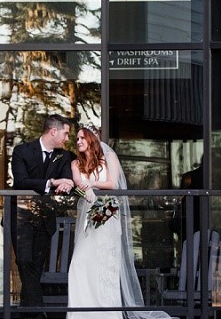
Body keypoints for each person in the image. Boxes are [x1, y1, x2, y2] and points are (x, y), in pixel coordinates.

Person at [66, 124, 170, 319]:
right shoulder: (75, 164)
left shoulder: (109, 158)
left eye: (81, 138)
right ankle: (81, 314)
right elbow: (79, 184)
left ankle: (107, 314)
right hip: (88, 217)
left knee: (105, 266)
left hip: (108, 214)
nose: (78, 141)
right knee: (79, 264)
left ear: (91, 139)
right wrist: (86, 189)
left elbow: (113, 183)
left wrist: (93, 184)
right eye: (77, 138)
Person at [11, 114, 76, 318]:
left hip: (45, 218)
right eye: (65, 134)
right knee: (23, 262)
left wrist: (67, 183)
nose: (67, 139)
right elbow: (21, 181)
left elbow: (66, 178)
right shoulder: (21, 151)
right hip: (21, 216)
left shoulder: (65, 156)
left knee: (35, 269)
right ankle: (38, 312)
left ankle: (28, 314)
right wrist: (51, 183)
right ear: (53, 131)